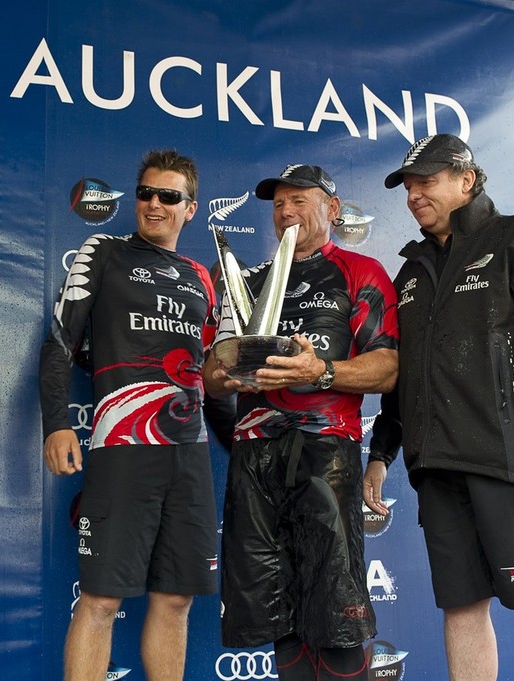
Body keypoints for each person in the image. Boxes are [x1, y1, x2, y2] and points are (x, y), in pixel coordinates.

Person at [364, 134, 514, 681]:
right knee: (462, 609)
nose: (414, 194)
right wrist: (381, 453)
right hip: (438, 469)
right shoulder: (412, 273)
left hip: (512, 462)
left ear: (466, 180)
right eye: (409, 185)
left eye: (428, 181)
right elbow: (405, 377)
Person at [203, 164, 399, 681]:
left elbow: (389, 367)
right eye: (277, 204)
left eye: (299, 201)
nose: (286, 212)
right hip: (254, 461)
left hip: (324, 455)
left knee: (336, 614)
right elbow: (210, 374)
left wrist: (323, 370)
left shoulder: (361, 272)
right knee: (275, 616)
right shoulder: (248, 282)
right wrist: (228, 375)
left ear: (332, 210)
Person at [39, 149, 219, 681]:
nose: (154, 204)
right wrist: (56, 422)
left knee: (177, 600)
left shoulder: (201, 277)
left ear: (191, 207)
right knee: (99, 600)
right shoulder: (104, 250)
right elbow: (59, 342)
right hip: (122, 444)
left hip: (189, 453)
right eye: (145, 193)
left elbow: (215, 371)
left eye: (169, 196)